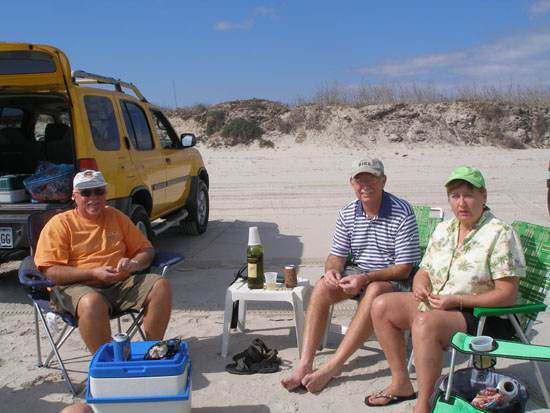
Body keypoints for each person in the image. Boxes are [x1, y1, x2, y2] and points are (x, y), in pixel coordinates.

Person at [368, 166, 526, 411]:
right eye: (455, 196)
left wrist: (457, 301)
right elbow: (425, 270)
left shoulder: (500, 233)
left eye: (469, 195)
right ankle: (401, 382)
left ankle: (425, 404)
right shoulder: (444, 230)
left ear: (484, 196)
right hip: (441, 305)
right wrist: (420, 283)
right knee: (381, 305)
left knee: (424, 323)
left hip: (484, 316)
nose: (461, 203)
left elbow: (507, 295)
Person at [281, 157, 420, 393]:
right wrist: (333, 270)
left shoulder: (402, 212)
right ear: (352, 183)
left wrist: (365, 279)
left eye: (371, 179)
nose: (365, 185)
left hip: (396, 279)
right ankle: (305, 364)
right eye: (360, 180)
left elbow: (405, 268)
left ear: (383, 181)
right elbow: (336, 256)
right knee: (324, 285)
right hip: (361, 273)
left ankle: (332, 367)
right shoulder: (347, 212)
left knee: (374, 290)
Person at [34, 170, 172, 354]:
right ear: (74, 196)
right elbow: (50, 271)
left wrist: (134, 264)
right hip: (76, 287)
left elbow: (146, 250)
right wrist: (92, 273)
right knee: (92, 303)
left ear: (105, 193)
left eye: (99, 192)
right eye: (86, 193)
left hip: (120, 283)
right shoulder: (60, 224)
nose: (93, 198)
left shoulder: (116, 217)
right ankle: (107, 364)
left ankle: (152, 352)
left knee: (160, 286)